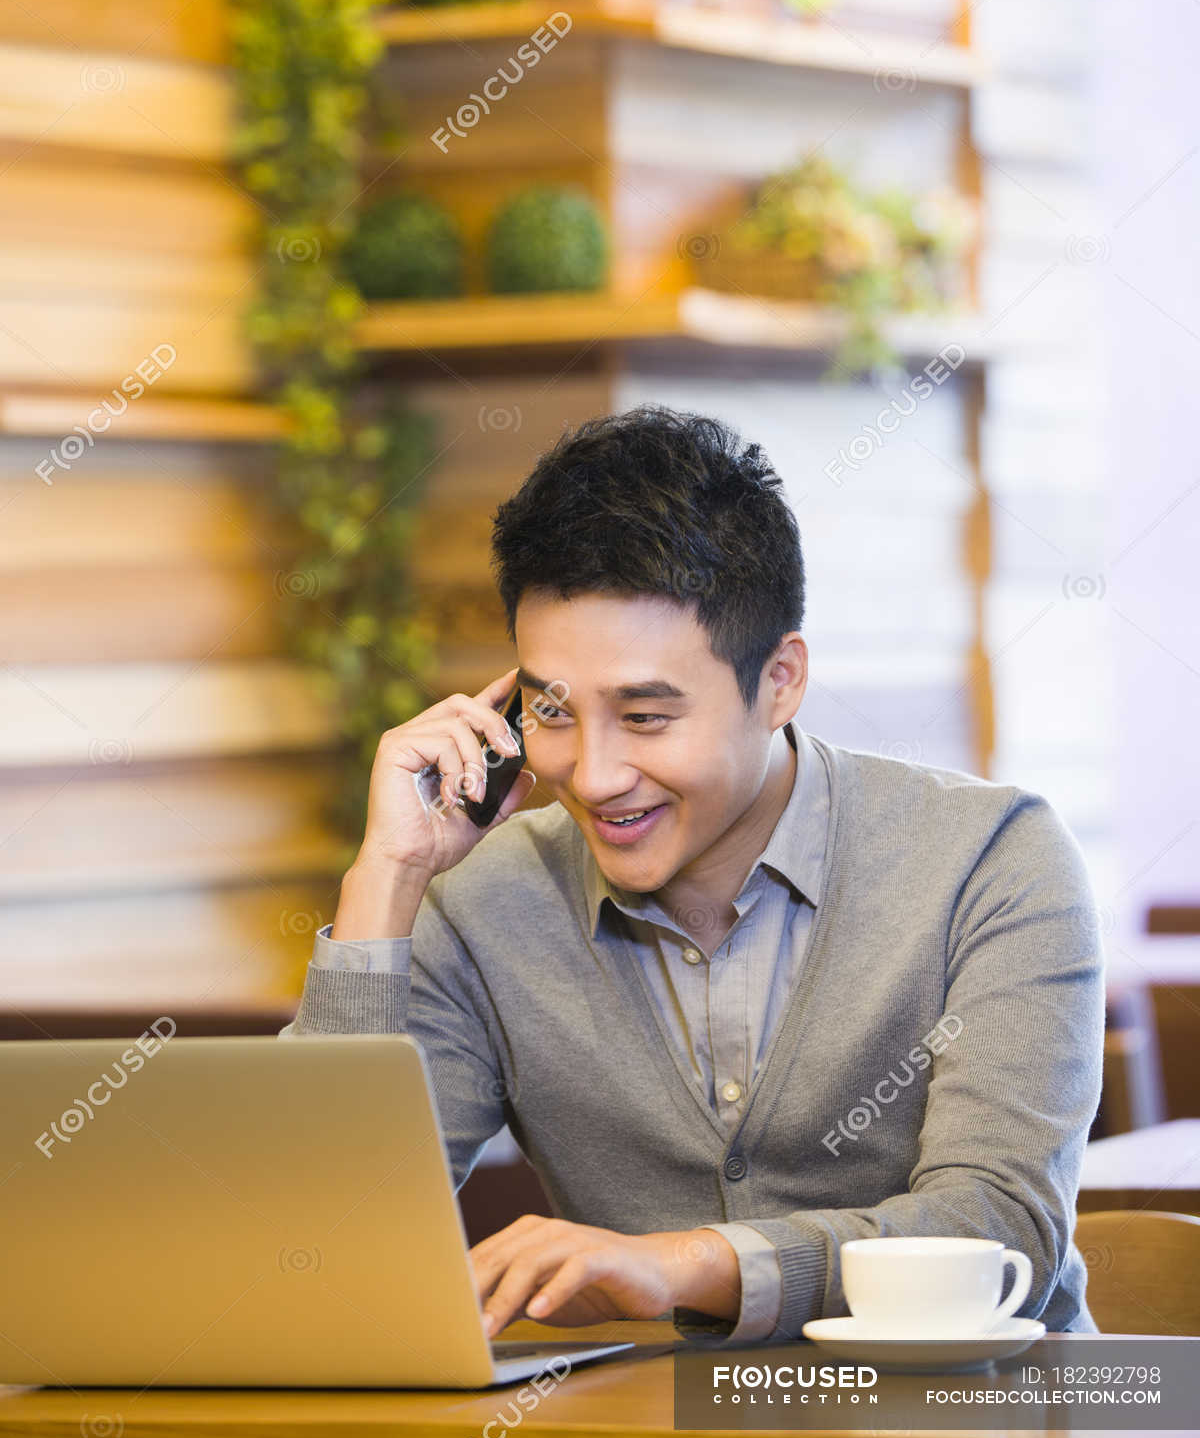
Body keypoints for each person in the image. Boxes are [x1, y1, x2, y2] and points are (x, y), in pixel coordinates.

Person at [280, 403, 1104, 1342]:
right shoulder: (482, 901)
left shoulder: (991, 859)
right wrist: (387, 875)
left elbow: (1001, 1229)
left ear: (781, 680)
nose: (591, 776)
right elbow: (314, 1240)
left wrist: (681, 1264)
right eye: (550, 711)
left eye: (646, 716)